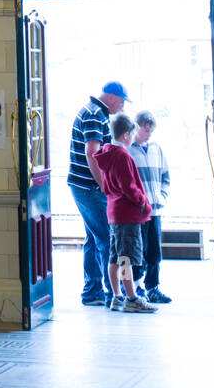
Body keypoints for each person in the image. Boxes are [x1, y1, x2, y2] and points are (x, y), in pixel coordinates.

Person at [68, 81, 128, 307]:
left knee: (94, 238)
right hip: (89, 188)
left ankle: (92, 292)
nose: (121, 108)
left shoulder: (94, 112)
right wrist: (105, 186)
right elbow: (92, 153)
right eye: (121, 102)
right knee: (107, 238)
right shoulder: (94, 115)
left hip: (83, 186)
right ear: (112, 97)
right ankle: (116, 293)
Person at [94, 115, 156, 313]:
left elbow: (108, 184)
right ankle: (131, 298)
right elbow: (128, 186)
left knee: (114, 257)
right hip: (126, 213)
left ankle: (116, 296)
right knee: (126, 258)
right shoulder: (122, 155)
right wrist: (143, 203)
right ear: (126, 134)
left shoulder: (106, 152)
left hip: (113, 210)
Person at [127, 110, 172, 304]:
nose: (149, 133)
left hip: (155, 210)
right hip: (137, 212)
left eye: (151, 130)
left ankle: (153, 287)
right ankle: (136, 289)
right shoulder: (128, 150)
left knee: (155, 252)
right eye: (146, 130)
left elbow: (166, 177)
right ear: (137, 127)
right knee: (138, 251)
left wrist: (162, 197)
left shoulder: (157, 149)